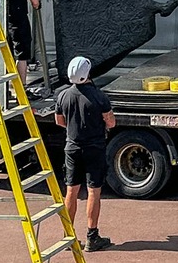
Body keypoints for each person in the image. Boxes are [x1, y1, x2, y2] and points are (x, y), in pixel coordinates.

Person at [54, 56, 116, 252]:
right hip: (94, 148)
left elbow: (59, 121)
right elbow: (111, 122)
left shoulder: (63, 96)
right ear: (88, 74)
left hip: (72, 148)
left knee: (71, 191)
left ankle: (68, 236)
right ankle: (92, 236)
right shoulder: (99, 97)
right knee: (93, 191)